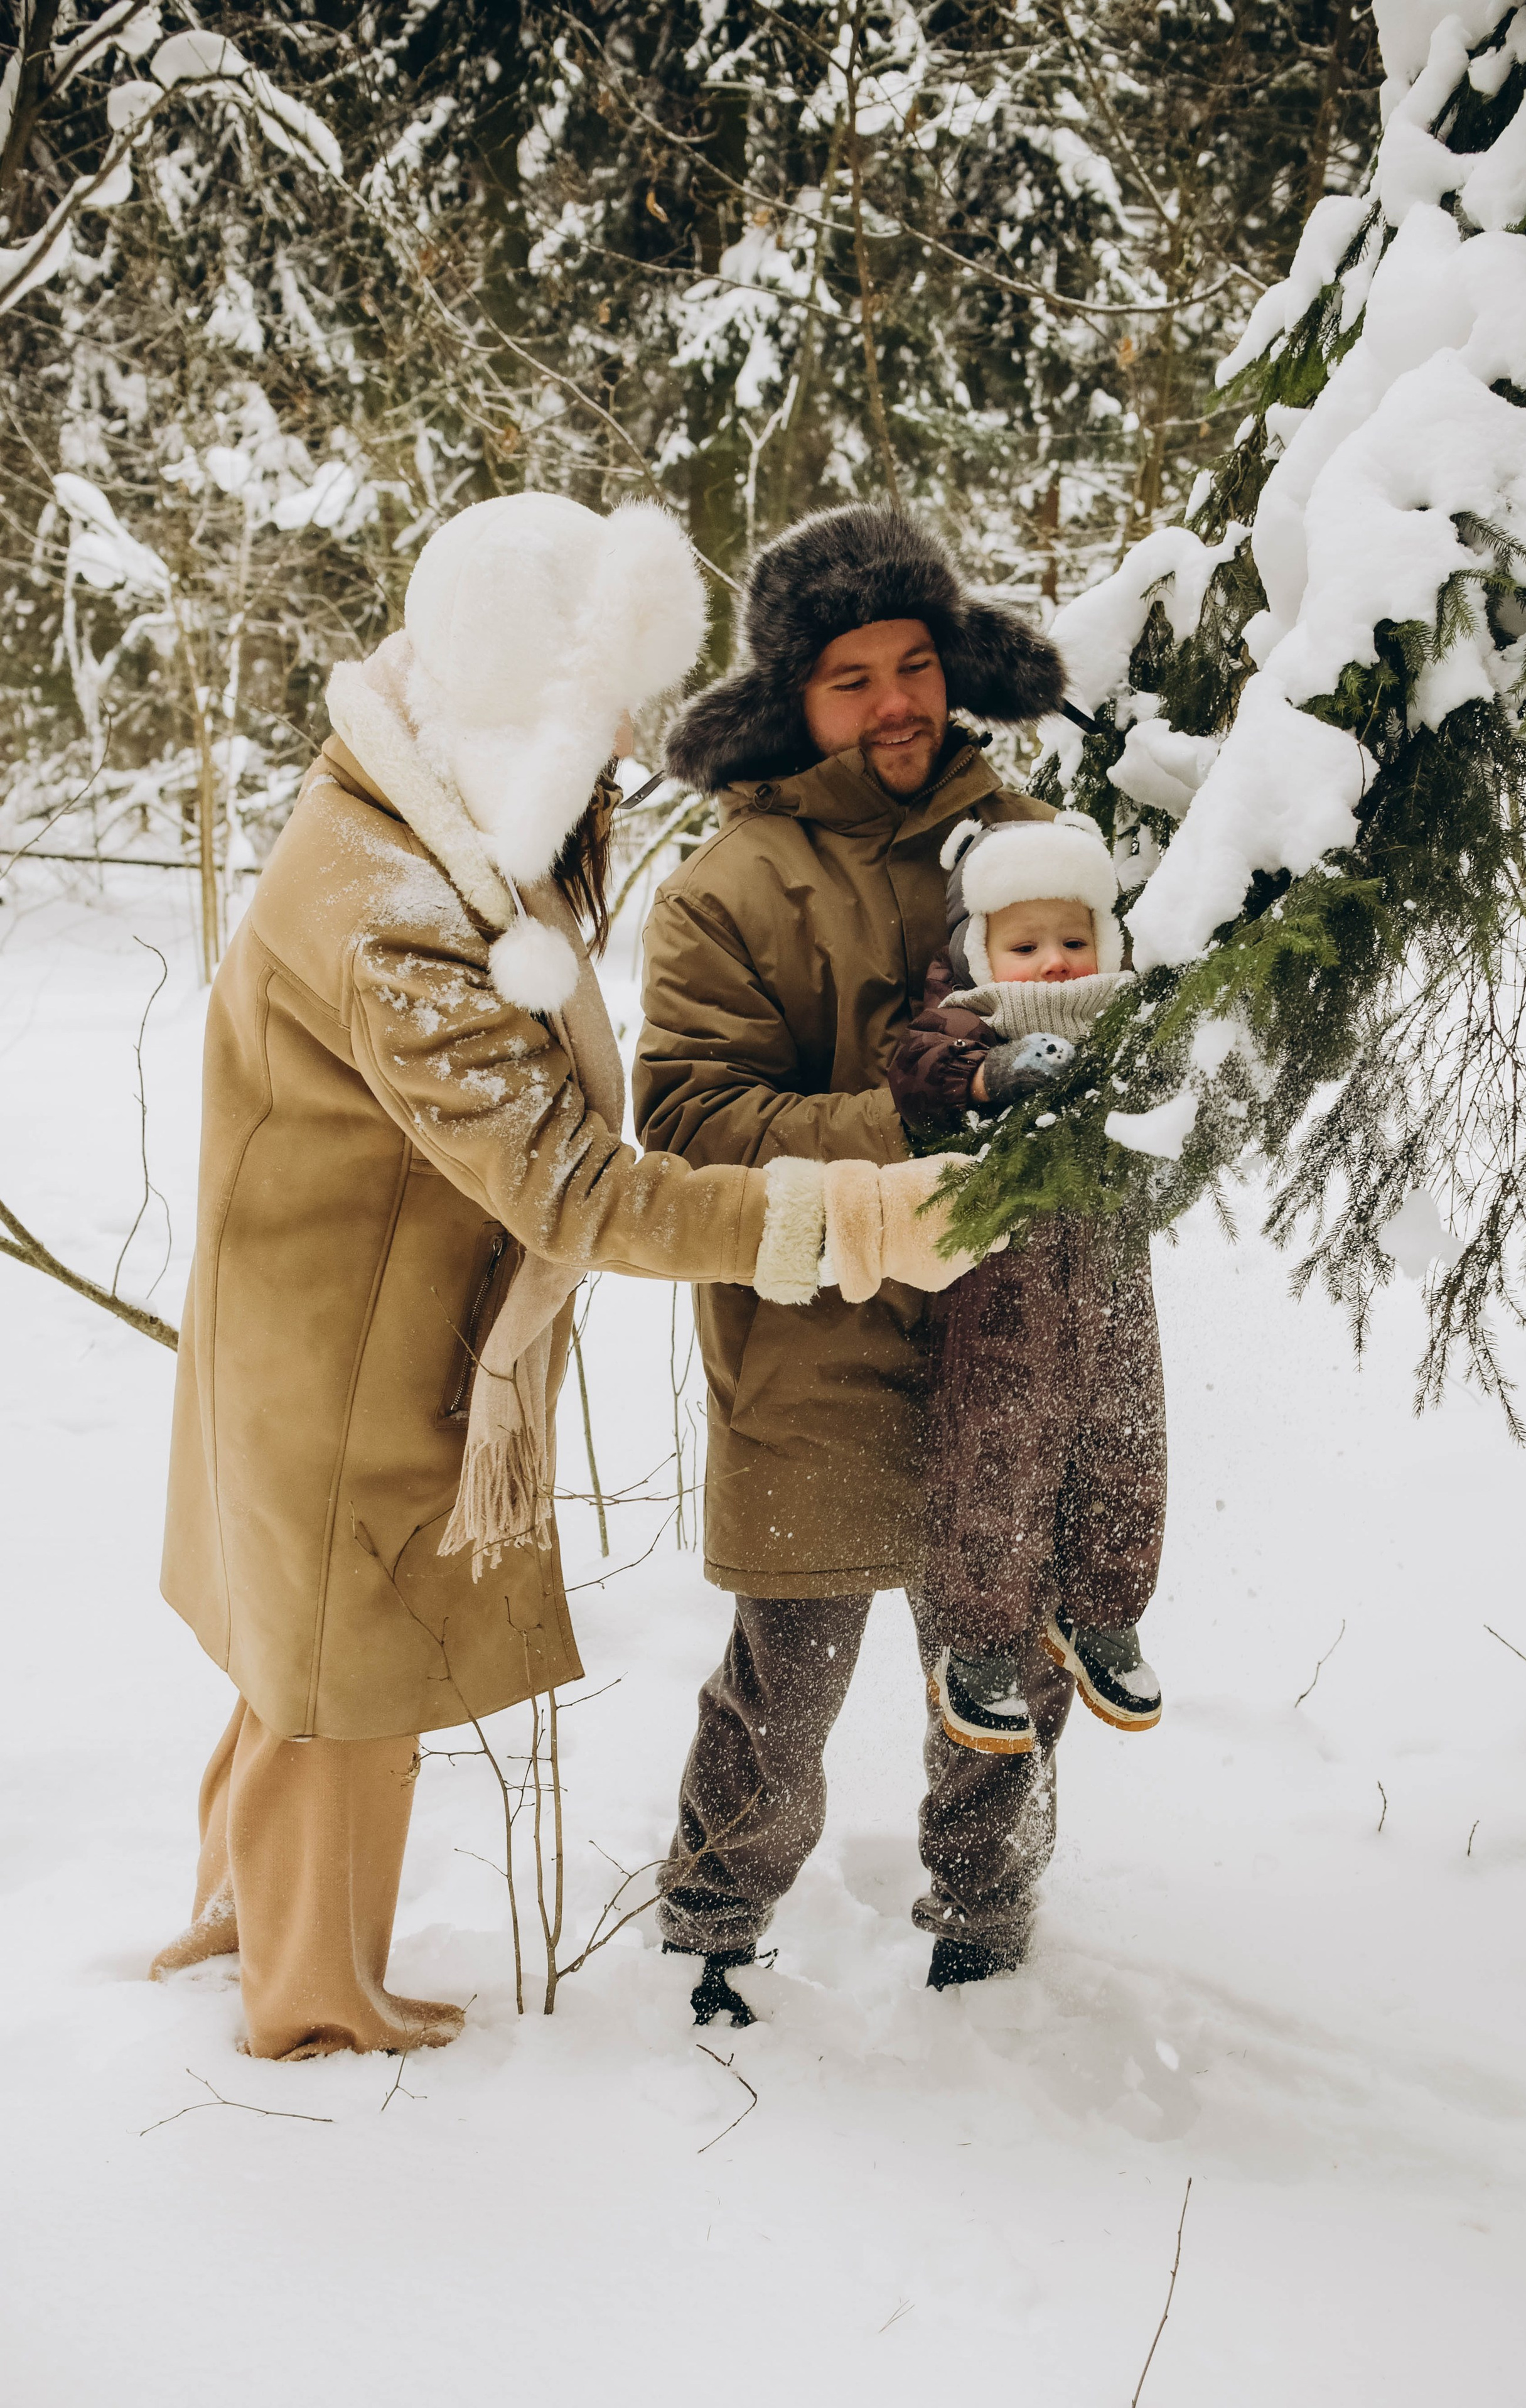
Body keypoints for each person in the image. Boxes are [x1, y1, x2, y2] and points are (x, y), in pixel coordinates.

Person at [148, 492, 976, 2061]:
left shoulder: (416, 811)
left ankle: (245, 1924)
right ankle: (312, 2006)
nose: (608, 759)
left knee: (299, 1652)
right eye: (586, 722)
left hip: (336, 1306)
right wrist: (852, 1220)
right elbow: (576, 1186)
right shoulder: (394, 907)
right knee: (339, 1682)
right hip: (344, 1334)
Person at [634, 502, 1091, 2014]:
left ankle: (985, 1925)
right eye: (852, 677)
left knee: (1002, 1654)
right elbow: (691, 1121)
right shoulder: (729, 886)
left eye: (915, 662)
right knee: (793, 1660)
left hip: (1004, 1326)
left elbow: (1101, 1020)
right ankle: (711, 1923)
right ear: (793, 699)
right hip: (810, 1329)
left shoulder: (1023, 843)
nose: (896, 701)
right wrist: (913, 1109)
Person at [887, 811, 1167, 1763]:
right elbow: (914, 1068)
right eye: (1026, 942)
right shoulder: (970, 1017)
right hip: (1002, 1295)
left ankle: (1106, 1609)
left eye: (1074, 938)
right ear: (981, 948)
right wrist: (991, 1074)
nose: (1054, 961)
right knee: (999, 1457)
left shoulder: (1132, 1018)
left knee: (1127, 1441)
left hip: (1114, 1285)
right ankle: (981, 1638)